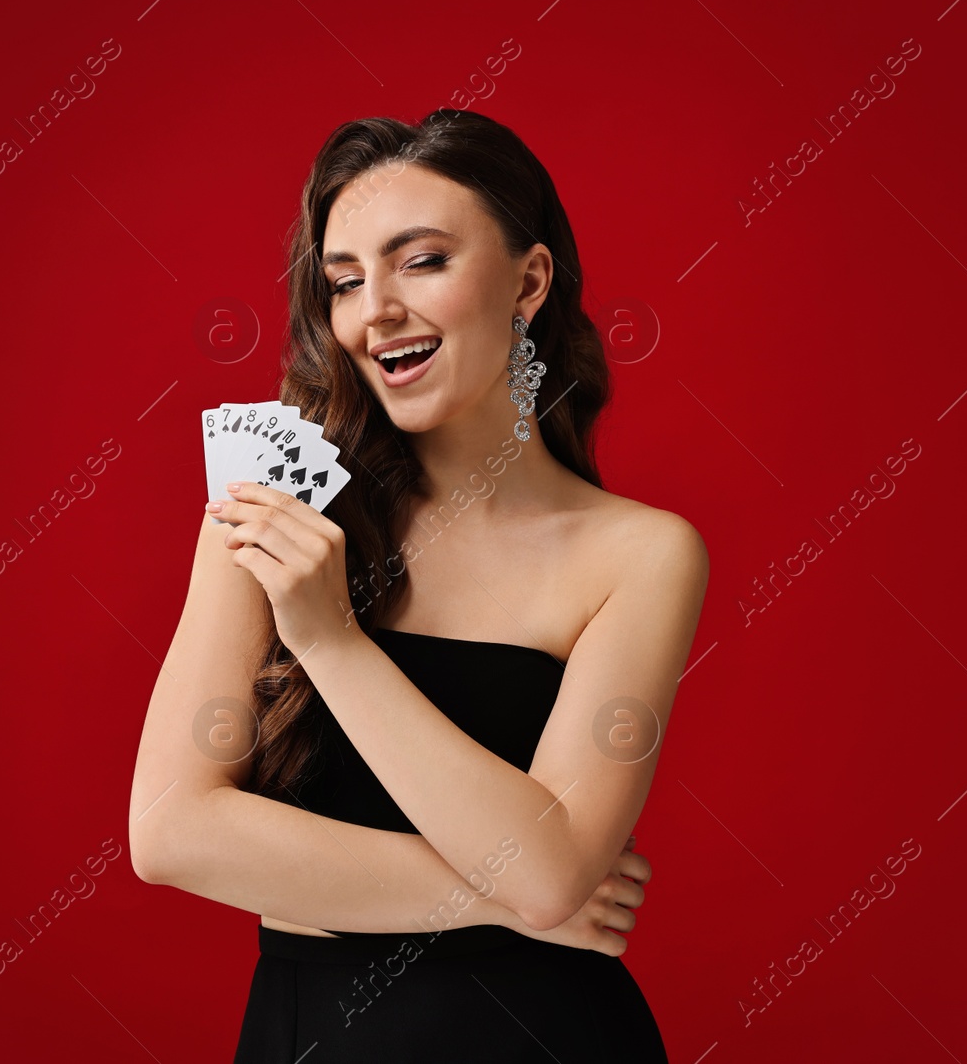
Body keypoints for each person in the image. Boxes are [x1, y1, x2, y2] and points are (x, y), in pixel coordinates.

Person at [128, 108, 709, 1062]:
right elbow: (170, 830)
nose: (375, 312)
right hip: (305, 1032)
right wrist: (504, 898)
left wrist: (330, 638)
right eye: (345, 281)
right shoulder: (273, 506)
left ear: (528, 281)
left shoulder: (641, 554)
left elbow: (556, 868)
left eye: (422, 261)